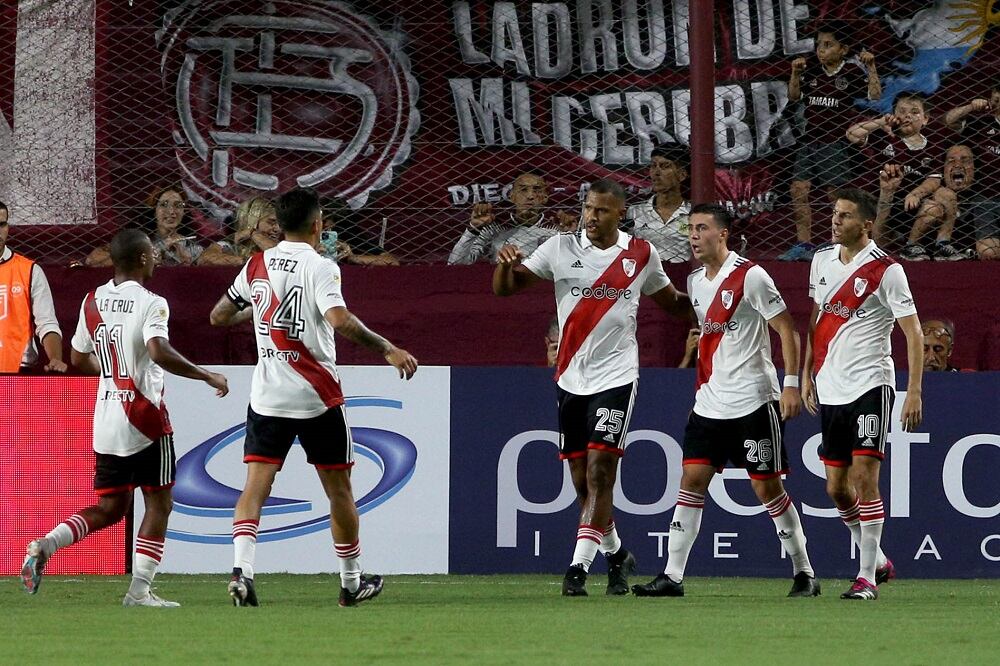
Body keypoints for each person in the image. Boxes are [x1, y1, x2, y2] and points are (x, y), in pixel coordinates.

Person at [208, 186, 418, 608]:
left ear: (280, 223)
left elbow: (218, 316)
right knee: (339, 491)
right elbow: (339, 320)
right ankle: (351, 581)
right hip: (316, 396)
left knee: (254, 488)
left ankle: (241, 572)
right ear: (318, 224)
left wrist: (260, 310)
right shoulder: (322, 266)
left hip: (268, 397)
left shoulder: (256, 265)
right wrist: (387, 348)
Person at [493, 178, 694, 597]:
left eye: (601, 210)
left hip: (617, 376)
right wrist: (503, 263)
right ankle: (617, 555)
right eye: (588, 208)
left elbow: (672, 302)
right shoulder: (559, 248)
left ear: (620, 213)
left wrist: (713, 309)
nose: (591, 217)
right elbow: (507, 290)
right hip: (570, 377)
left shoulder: (640, 253)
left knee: (603, 471)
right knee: (582, 481)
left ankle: (577, 569)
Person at [20, 229, 229, 606]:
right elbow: (159, 350)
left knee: (110, 508)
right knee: (160, 503)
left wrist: (113, 372)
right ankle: (139, 591)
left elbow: (78, 358)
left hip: (106, 419)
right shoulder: (153, 303)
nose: (157, 259)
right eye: (153, 253)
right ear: (144, 258)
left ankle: (45, 544)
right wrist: (205, 375)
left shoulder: (92, 300)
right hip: (145, 418)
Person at [632, 204, 819, 598]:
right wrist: (700, 394)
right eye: (690, 229)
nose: (694, 236)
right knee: (691, 481)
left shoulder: (751, 276)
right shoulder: (697, 282)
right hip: (710, 404)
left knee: (766, 489)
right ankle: (673, 576)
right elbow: (710, 346)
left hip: (753, 401)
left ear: (723, 234)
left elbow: (786, 328)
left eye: (702, 228)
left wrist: (789, 384)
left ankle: (804, 572)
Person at [801, 187, 924, 600]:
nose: (836, 221)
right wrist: (804, 376)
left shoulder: (887, 271)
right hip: (830, 388)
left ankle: (867, 578)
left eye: (845, 215)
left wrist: (914, 391)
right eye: (835, 214)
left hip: (871, 384)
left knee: (864, 477)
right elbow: (817, 321)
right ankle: (880, 559)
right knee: (836, 488)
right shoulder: (820, 261)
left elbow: (913, 333)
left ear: (866, 224)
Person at [782, 20, 881, 262]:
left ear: (843, 49)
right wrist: (795, 74)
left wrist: (871, 66)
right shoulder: (812, 71)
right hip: (810, 140)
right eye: (818, 45)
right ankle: (803, 243)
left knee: (834, 195)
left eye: (828, 45)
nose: (821, 50)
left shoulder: (851, 72)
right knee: (798, 189)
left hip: (835, 142)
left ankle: (836, 243)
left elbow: (874, 96)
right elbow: (794, 97)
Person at [847, 94, 960, 260]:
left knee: (944, 198)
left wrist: (916, 193)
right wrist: (881, 122)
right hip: (885, 201)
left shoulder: (932, 145)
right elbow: (852, 134)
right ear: (893, 115)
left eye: (914, 112)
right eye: (902, 111)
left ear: (925, 119)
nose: (907, 115)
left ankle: (932, 245)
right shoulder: (884, 137)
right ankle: (900, 243)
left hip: (915, 203)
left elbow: (934, 179)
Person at [449, 171, 575, 265]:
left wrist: (572, 236)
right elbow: (455, 263)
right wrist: (473, 229)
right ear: (512, 196)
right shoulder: (494, 229)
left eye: (536, 190)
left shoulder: (556, 229)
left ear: (545, 197)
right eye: (523, 190)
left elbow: (577, 264)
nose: (530, 196)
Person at [0, 201, 67, 373]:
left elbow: (47, 324)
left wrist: (55, 359)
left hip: (19, 373)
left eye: (2, 224)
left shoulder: (30, 271)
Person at [86, 185, 204, 267]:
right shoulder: (135, 240)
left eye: (178, 205)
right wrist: (151, 253)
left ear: (184, 211)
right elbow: (92, 260)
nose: (172, 211)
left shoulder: (191, 247)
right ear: (154, 210)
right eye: (164, 205)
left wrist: (187, 264)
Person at [624, 146, 692, 263]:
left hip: (683, 275)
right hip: (644, 275)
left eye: (665, 166)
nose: (656, 172)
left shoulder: (693, 213)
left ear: (682, 175)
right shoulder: (635, 212)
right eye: (653, 166)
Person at [198, 197, 281, 266]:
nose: (278, 229)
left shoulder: (285, 244)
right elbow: (205, 259)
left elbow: (280, 256)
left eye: (280, 224)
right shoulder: (232, 243)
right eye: (271, 222)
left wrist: (253, 233)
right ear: (253, 221)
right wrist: (248, 262)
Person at [318, 199, 400, 266]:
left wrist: (352, 257)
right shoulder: (308, 234)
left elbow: (392, 261)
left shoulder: (349, 234)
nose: (322, 225)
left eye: (325, 221)